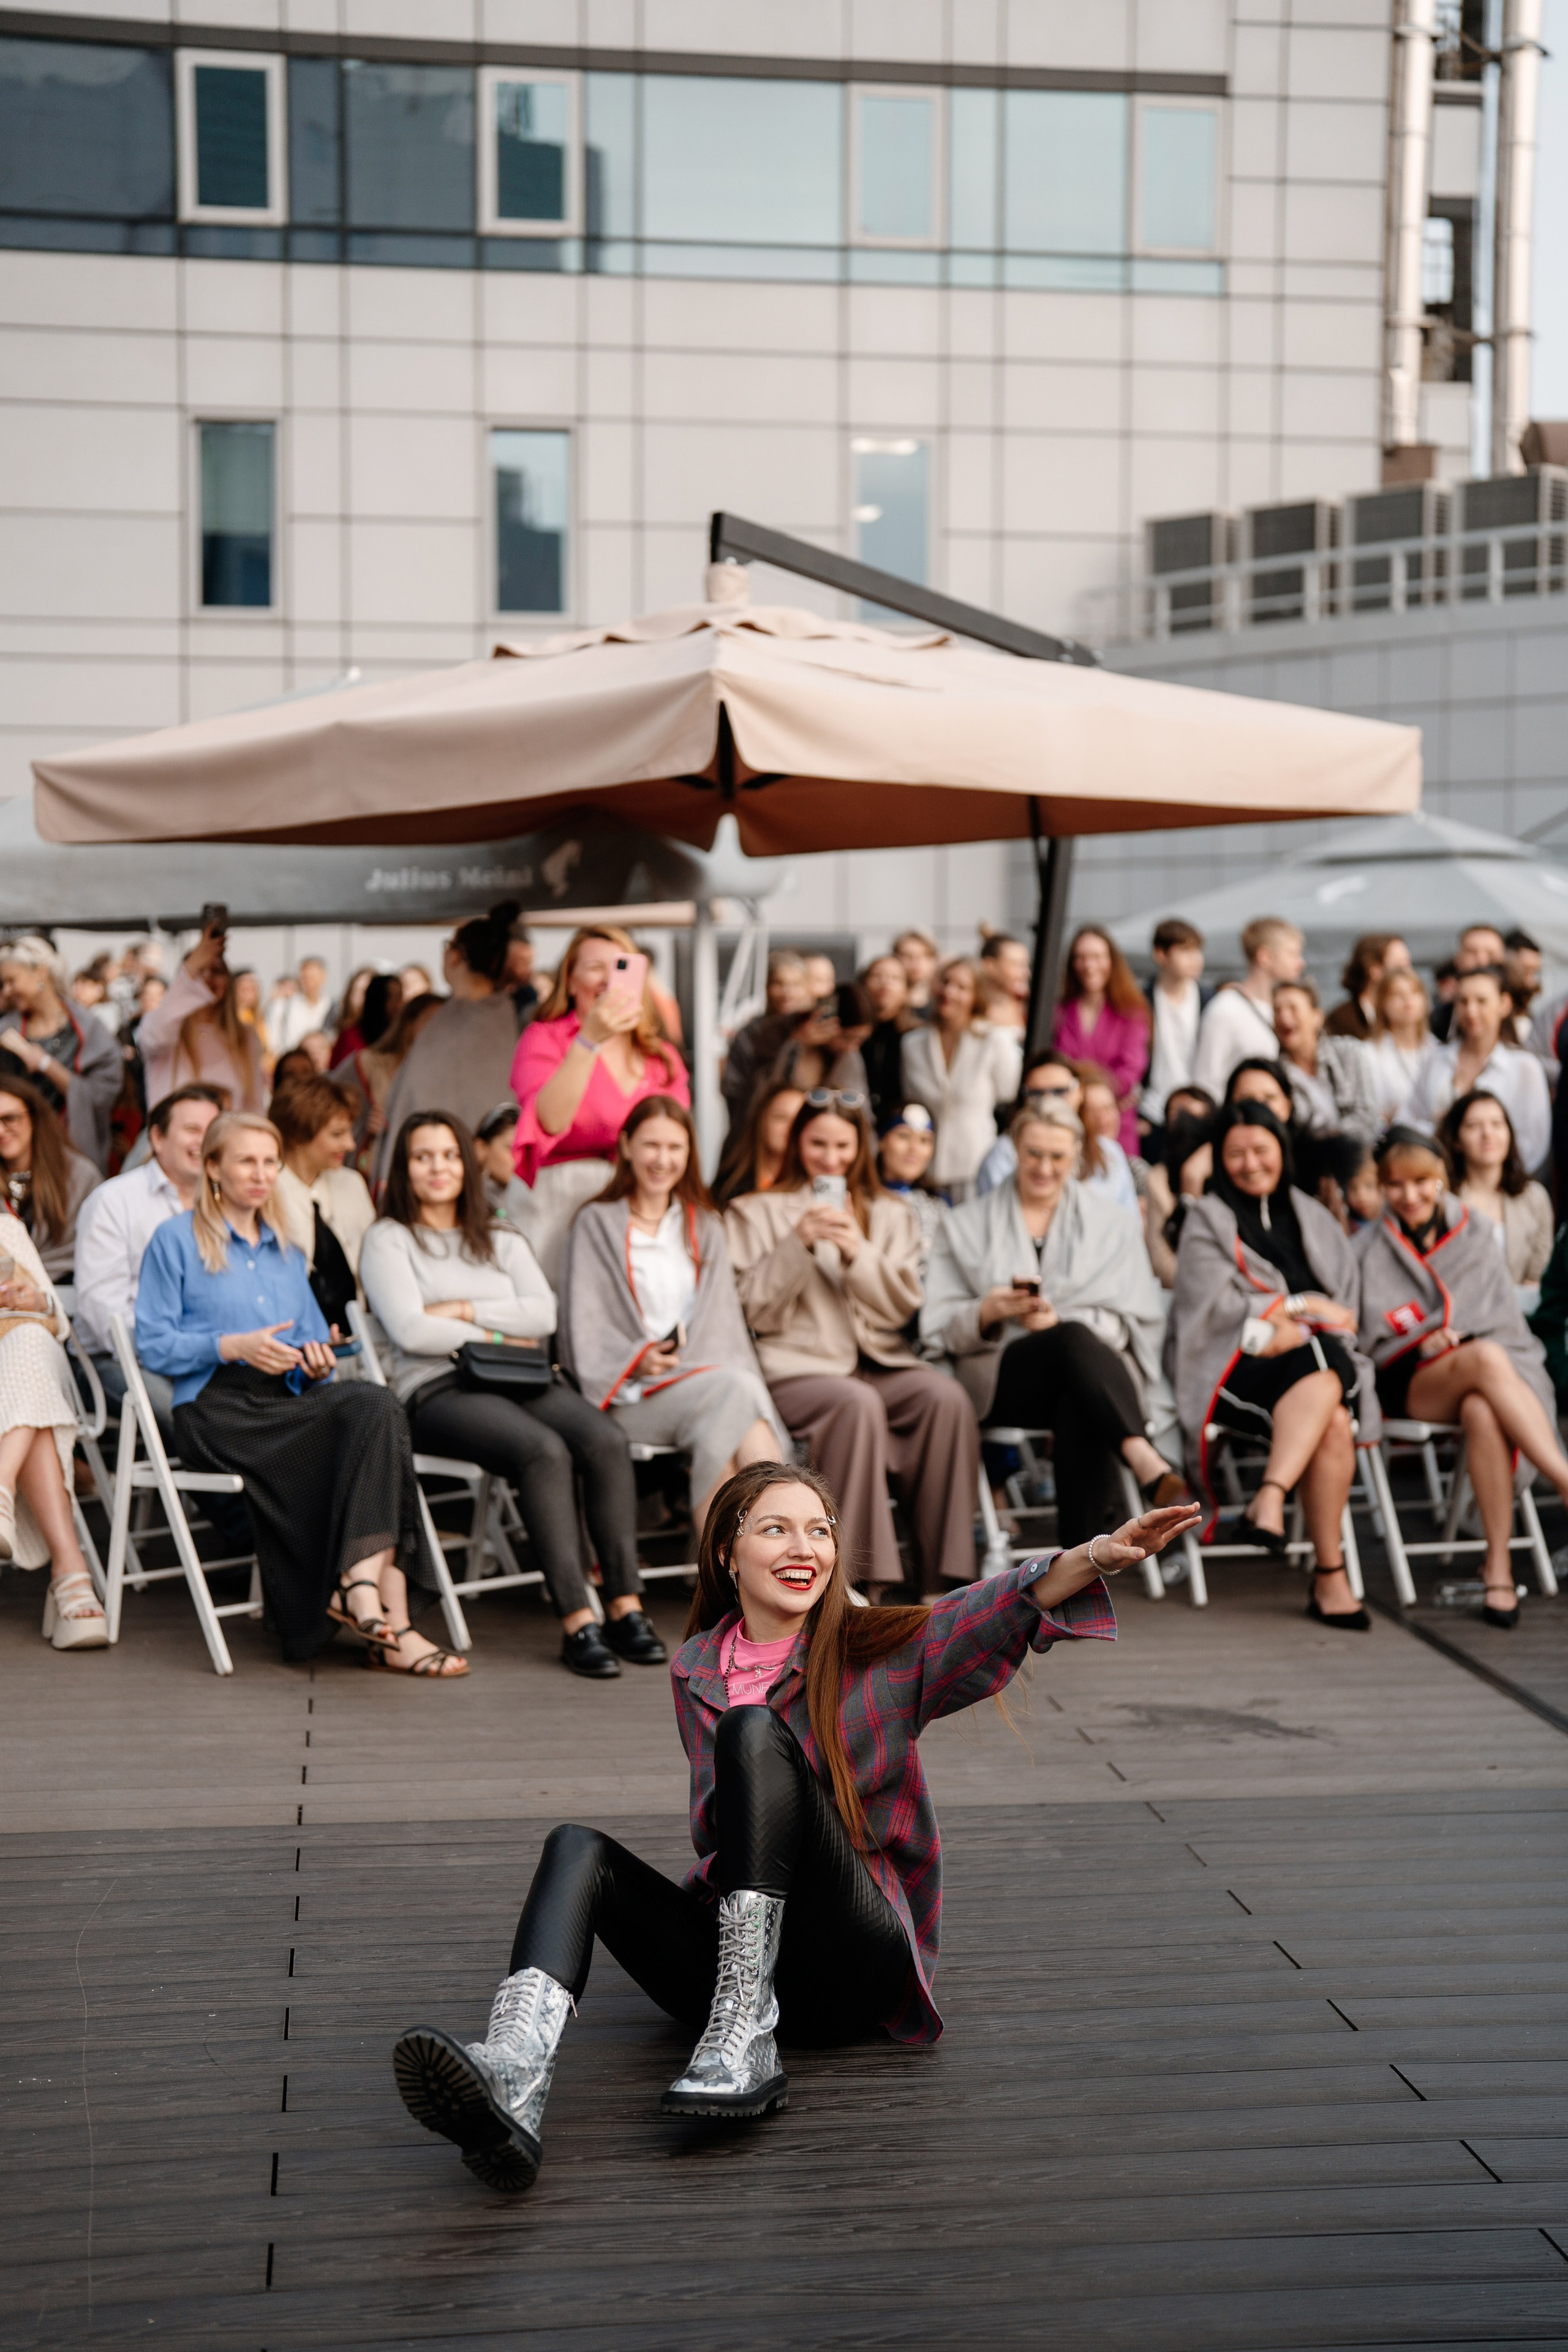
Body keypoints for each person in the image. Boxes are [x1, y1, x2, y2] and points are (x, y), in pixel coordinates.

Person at [391, 1459, 1197, 2190]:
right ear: (726, 1555)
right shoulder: (694, 1667)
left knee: (753, 1730)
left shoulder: (880, 1650)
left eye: (818, 1529)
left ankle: (745, 2037)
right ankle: (515, 2078)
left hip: (854, 1960)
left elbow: (983, 1609)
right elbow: (724, 1832)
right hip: (745, 1953)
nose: (801, 1545)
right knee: (577, 1846)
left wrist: (1092, 1556)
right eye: (775, 1528)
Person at [134, 1111, 455, 1674]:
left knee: (378, 1406)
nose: (261, 1175)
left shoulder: (286, 1249)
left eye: (269, 1162)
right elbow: (153, 1346)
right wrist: (232, 1346)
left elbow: (313, 1354)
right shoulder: (176, 1239)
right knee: (379, 1426)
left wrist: (314, 1361)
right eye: (246, 1161)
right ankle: (391, 1622)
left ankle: (358, 1586)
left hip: (285, 1400)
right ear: (213, 1167)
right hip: (216, 1409)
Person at [360, 1112, 660, 1678]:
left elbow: (542, 1314)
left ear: (466, 1162)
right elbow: (410, 1331)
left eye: (448, 1155)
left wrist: (465, 1313)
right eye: (422, 1157)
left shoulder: (496, 1232)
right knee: (542, 1450)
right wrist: (501, 1327)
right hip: (437, 1387)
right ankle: (578, 1620)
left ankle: (625, 1606)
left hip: (519, 1375)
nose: (438, 1168)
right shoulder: (389, 1238)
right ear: (403, 1167)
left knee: (603, 1439)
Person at [725, 1094, 981, 1600]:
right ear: (798, 1142)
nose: (830, 1157)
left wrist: (857, 1251)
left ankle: (944, 1580)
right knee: (856, 1403)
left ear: (860, 1146)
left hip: (879, 1361)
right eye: (818, 1143)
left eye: (843, 1145)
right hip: (798, 1368)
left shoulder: (889, 1211)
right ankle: (860, 1583)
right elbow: (750, 1311)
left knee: (944, 1397)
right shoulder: (753, 1211)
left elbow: (903, 1306)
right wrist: (795, 1246)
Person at [922, 1104, 1182, 1545]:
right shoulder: (963, 1224)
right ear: (1014, 1151)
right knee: (1073, 1340)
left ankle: (1076, 1574)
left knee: (1078, 1384)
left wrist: (1057, 1322)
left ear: (1077, 1155)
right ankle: (1139, 1450)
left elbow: (1134, 1316)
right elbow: (938, 1326)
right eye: (1034, 1154)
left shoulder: (1113, 1223)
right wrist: (989, 1312)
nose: (1045, 1168)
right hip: (1000, 1377)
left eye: (1058, 1157)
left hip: (1089, 1381)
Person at [1168, 1100, 1374, 1627]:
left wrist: (1304, 1327)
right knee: (1327, 1372)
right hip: (1237, 1365)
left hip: (1313, 1362)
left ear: (1281, 1150)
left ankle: (1271, 1496)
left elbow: (1346, 1303)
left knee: (1328, 1393)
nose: (1250, 1162)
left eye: (1261, 1149)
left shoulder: (1311, 1214)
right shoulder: (1206, 1220)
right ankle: (1329, 1576)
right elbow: (1205, 1310)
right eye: (1235, 1153)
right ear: (1219, 1159)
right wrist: (1298, 1309)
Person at [1358, 1128, 1568, 1627]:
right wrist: (1423, 1342)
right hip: (1408, 1381)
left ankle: (1497, 1567)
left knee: (1483, 1402)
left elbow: (1497, 1316)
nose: (1410, 1195)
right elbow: (1369, 1335)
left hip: (1481, 1372)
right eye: (1395, 1184)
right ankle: (1564, 1479)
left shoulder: (1474, 1230)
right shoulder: (1366, 1247)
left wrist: (1460, 1337)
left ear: (1442, 1178)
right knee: (1486, 1360)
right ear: (1382, 1186)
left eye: (1422, 1181)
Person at [562, 1096, 781, 1536]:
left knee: (730, 1405)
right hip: (629, 1396)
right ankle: (779, 1562)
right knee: (736, 1396)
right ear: (626, 1147)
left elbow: (723, 1327)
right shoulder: (596, 1223)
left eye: (675, 1148)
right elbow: (583, 1324)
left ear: (690, 1154)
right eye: (651, 1146)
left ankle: (729, 1575)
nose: (663, 1160)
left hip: (703, 1386)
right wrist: (636, 1358)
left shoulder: (706, 1226)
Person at [509, 924, 690, 1288]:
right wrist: (589, 1040)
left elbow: (678, 1138)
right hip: (559, 1206)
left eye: (620, 967)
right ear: (571, 980)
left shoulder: (660, 1057)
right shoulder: (544, 1039)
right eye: (595, 967)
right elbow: (550, 1120)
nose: (609, 979)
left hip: (641, 1204)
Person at [72, 1084, 227, 1430]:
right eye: (192, 1130)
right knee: (192, 1418)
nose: (203, 1141)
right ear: (157, 1138)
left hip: (204, 1354)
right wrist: (172, 1352)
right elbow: (102, 1309)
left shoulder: (227, 1205)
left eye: (212, 1131)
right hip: (115, 1358)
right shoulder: (114, 1200)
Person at [0, 1204, 108, 1648]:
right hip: (23, 1391)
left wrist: (34, 1300)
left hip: (20, 1359)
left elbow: (58, 1321)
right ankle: (70, 1571)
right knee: (34, 1409)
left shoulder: (4, 1227)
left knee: (29, 1344)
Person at [375, 907, 526, 1187]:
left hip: (446, 1169)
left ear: (456, 955)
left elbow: (414, 1100)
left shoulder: (452, 1025)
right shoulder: (505, 1019)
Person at [1399, 965, 1550, 1174]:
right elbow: (1408, 1120)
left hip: (1500, 1187)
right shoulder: (1435, 1058)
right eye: (1463, 1001)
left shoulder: (1524, 1067)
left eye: (1481, 1001)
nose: (1471, 1011)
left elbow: (1533, 1145)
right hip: (1437, 1179)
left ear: (1504, 1004)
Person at [900, 957, 1022, 1200]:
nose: (950, 992)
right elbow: (911, 1101)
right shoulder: (913, 1043)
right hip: (925, 1167)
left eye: (962, 987)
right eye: (945, 982)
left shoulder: (995, 1040)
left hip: (975, 1166)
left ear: (976, 995)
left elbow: (1009, 1092)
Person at [0, 933, 123, 1173]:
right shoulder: (6, 1031)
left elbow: (102, 1094)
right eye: (2, 984)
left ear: (40, 973)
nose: (7, 991)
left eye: (12, 981)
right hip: (17, 1156)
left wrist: (45, 1064)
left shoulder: (88, 1030)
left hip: (72, 1154)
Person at [268, 1074, 376, 1336]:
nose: (350, 1144)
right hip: (292, 1339)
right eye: (337, 1134)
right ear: (298, 1133)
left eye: (349, 1132)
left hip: (358, 1334)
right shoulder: (265, 1191)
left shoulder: (352, 1184)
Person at [136, 916, 266, 1117]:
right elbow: (156, 1036)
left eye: (216, 970)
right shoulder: (165, 1029)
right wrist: (191, 966)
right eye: (200, 971)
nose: (208, 978)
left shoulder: (245, 1036)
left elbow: (254, 1105)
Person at [975, 1054, 1137, 1213]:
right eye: (1036, 1094)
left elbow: (1129, 1224)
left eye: (1060, 1091)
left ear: (1081, 1091)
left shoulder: (1109, 1152)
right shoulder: (1003, 1155)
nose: (1049, 1100)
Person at [1271, 978, 1379, 1196]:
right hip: (1309, 1180)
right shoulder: (1274, 1074)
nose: (1284, 1017)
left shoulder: (1350, 1052)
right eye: (1277, 1010)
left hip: (1362, 1167)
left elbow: (1367, 1117)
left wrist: (1325, 1140)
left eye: (1292, 1008)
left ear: (1317, 1017)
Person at [1436, 1089, 1554, 1290]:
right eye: (1474, 1126)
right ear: (1456, 1140)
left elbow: (1540, 1273)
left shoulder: (1534, 1197)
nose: (1488, 1134)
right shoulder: (1443, 1201)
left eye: (1497, 1124)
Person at [1050, 927, 1150, 1155]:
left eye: (1097, 957)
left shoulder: (1131, 1011)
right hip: (1070, 1118)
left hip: (1113, 1120)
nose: (1089, 965)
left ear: (1111, 961)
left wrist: (1086, 1088)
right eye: (1081, 957)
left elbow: (1131, 1069)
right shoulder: (1060, 1012)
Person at [1191, 918, 1304, 1101]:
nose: (1301, 963)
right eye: (1292, 954)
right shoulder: (1225, 1010)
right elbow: (1206, 1083)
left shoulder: (1282, 1011)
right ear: (1264, 957)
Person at [0, 1076, 100, 1283]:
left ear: (34, 1118)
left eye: (10, 1118)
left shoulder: (79, 1175)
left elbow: (97, 1249)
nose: (1, 1131)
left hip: (67, 1297)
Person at [719, 952, 809, 1133]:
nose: (787, 992)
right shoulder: (750, 1034)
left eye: (796, 985)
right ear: (767, 987)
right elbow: (734, 1090)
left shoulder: (816, 1033)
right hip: (754, 1130)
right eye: (779, 984)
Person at [350, 988, 438, 1165]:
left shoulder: (447, 1072)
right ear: (409, 1024)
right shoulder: (370, 1063)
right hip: (382, 1164)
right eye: (432, 1022)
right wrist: (365, 1125)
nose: (439, 1030)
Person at [1139, 918, 1210, 1132]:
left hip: (1198, 1110)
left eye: (1197, 951)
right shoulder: (1141, 1000)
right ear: (1161, 955)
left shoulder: (1209, 1000)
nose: (1195, 959)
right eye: (1185, 951)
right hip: (1152, 1111)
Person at [712, 1082, 807, 1210]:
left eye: (798, 1120)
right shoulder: (728, 1187)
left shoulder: (817, 1185)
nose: (791, 1127)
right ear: (762, 1121)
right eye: (781, 1118)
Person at [875, 1104, 943, 1268]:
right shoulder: (861, 1199)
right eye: (904, 1136)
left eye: (924, 1140)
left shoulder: (940, 1202)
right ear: (882, 1141)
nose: (914, 1149)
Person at [1366, 966, 1431, 1128]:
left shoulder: (1439, 1050)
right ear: (1382, 1003)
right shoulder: (1369, 1053)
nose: (1408, 1000)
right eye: (1397, 994)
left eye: (1414, 992)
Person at [859, 954, 918, 1130]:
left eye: (895, 978)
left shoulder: (916, 1035)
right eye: (877, 976)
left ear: (907, 990)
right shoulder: (852, 1034)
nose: (885, 984)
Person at [1324, 933, 1412, 1041]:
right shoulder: (1341, 1020)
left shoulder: (1407, 1015)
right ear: (1375, 970)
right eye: (1400, 966)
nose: (1409, 973)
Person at [1431, 924, 1507, 1042]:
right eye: (1472, 952)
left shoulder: (1522, 1019)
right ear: (1457, 958)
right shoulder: (1436, 1013)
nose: (1481, 960)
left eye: (1491, 953)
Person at [976, 932, 1030, 1033]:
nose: (1026, 973)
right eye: (1016, 965)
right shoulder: (971, 1005)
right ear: (990, 965)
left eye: (1025, 965)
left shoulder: (1028, 1005)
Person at [892, 929, 940, 1017]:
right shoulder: (884, 1001)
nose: (916, 963)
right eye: (908, 956)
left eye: (925, 956)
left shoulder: (942, 1001)